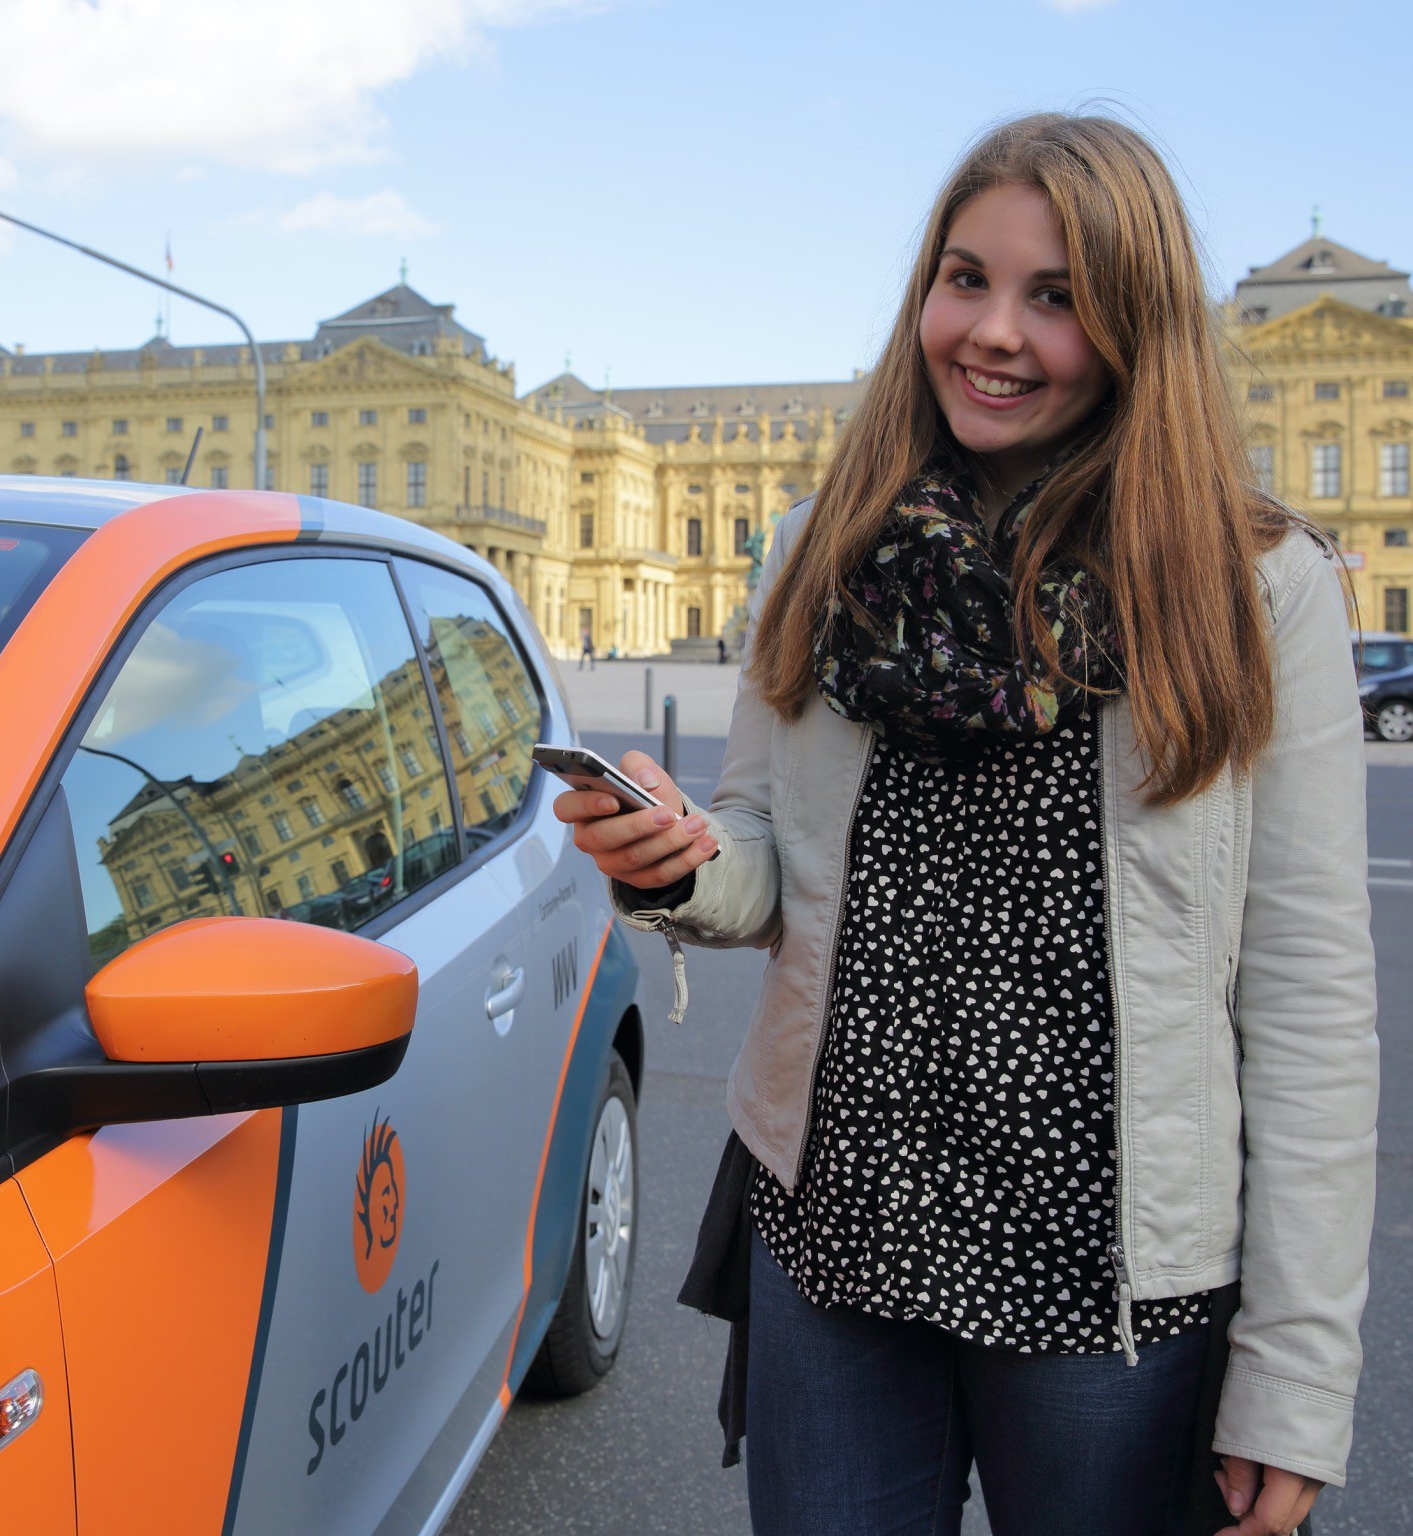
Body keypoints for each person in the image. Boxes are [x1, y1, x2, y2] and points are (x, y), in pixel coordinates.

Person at [555, 113, 1375, 1536]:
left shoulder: (1258, 583)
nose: (993, 331)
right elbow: (765, 850)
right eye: (964, 278)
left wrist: (1295, 1381)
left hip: (1111, 1275)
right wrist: (685, 862)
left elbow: (1310, 1009)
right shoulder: (827, 545)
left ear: (1137, 324)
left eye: (1055, 296)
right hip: (842, 1239)